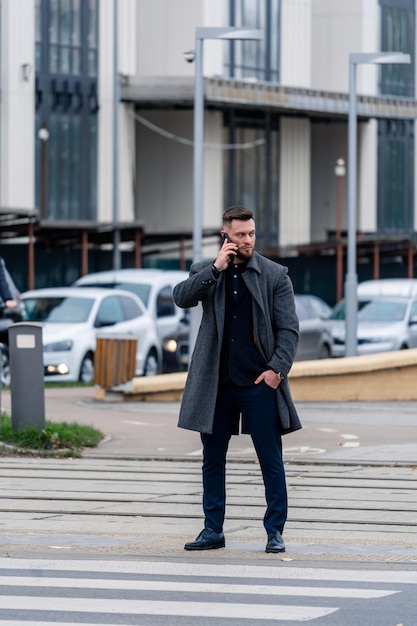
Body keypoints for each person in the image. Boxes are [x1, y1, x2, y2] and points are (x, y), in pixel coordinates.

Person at [173, 205, 301, 554]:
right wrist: (215, 268)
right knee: (212, 459)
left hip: (259, 382)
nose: (247, 240)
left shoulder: (274, 275)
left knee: (269, 460)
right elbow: (181, 297)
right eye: (240, 234)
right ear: (224, 236)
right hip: (217, 384)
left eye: (251, 233)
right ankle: (212, 530)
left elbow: (288, 330)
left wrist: (276, 371)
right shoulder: (206, 271)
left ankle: (275, 531)